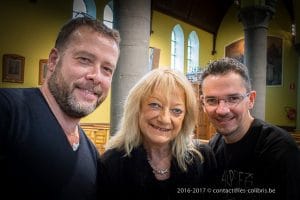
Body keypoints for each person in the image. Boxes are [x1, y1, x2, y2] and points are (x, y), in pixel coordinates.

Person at [0, 16, 120, 200]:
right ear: (54, 60)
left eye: (107, 69)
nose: (96, 76)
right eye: (85, 60)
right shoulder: (9, 111)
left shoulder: (92, 155)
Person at [97, 68, 217, 200]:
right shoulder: (111, 164)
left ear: (185, 118)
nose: (164, 119)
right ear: (137, 109)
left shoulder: (203, 157)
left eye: (176, 110)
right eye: (155, 105)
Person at [200, 57, 300, 200]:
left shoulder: (280, 149)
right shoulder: (212, 149)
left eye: (233, 98)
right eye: (211, 100)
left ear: (251, 99)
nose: (222, 110)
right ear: (203, 104)